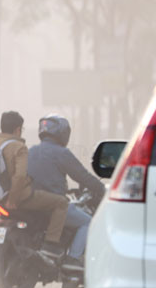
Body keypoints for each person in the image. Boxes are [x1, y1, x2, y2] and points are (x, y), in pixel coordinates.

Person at [27, 114, 106, 271]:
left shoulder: (31, 151)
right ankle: (73, 258)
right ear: (63, 133)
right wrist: (102, 189)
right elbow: (82, 176)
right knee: (88, 223)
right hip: (54, 206)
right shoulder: (62, 153)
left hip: (31, 203)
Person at [0, 111, 69, 260]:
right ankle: (51, 246)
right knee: (61, 202)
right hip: (18, 198)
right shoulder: (19, 147)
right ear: (17, 130)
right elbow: (20, 176)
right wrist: (13, 199)